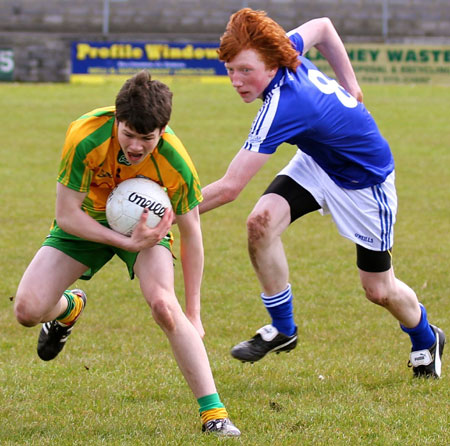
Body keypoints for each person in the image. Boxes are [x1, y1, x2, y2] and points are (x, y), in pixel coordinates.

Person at [198, 8, 445, 378]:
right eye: (231, 69)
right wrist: (351, 84)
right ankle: (283, 328)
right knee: (260, 224)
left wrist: (169, 210)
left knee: (379, 290)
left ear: (270, 65)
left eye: (245, 70)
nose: (236, 80)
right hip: (318, 161)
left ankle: (427, 338)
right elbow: (324, 28)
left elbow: (230, 188)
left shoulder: (283, 106)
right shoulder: (285, 50)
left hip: (365, 182)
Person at [13, 70, 240, 436]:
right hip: (87, 221)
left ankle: (214, 414)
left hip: (149, 232)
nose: (136, 147)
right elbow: (66, 215)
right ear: (117, 120)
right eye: (129, 135)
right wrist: (124, 242)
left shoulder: (176, 163)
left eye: (146, 139)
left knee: (166, 307)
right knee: (27, 310)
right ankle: (68, 308)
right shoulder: (85, 135)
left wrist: (194, 312)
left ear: (162, 132)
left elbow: (192, 232)